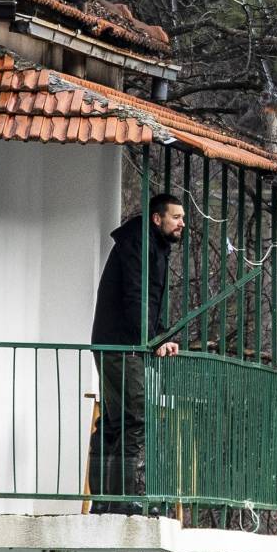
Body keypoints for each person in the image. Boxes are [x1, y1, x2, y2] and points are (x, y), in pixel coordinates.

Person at [89, 193, 184, 509]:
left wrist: (158, 336)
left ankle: (105, 500)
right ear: (157, 218)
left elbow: (147, 304)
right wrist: (154, 340)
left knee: (115, 422)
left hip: (116, 342)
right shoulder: (139, 246)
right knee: (135, 419)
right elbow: (136, 300)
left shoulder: (147, 244)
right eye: (175, 217)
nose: (182, 223)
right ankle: (121, 500)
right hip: (121, 345)